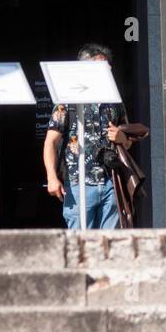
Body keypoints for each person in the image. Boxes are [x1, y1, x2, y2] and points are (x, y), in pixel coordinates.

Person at [43, 42, 132, 231]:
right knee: (79, 245)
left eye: (108, 67)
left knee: (109, 244)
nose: (107, 70)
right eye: (100, 66)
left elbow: (128, 142)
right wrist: (51, 177)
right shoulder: (67, 102)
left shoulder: (115, 102)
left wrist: (123, 138)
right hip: (78, 183)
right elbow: (51, 141)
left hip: (111, 181)